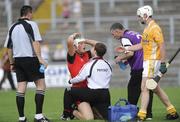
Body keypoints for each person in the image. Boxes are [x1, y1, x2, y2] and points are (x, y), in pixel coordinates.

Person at [122, 5, 179, 121]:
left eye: (140, 16)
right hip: (148, 61)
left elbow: (162, 45)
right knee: (155, 88)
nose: (139, 18)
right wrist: (128, 49)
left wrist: (163, 63)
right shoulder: (147, 28)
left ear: (145, 15)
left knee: (145, 87)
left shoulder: (155, 28)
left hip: (153, 61)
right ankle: (172, 111)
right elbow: (141, 45)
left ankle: (141, 115)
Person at [4, 5, 50, 122]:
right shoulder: (32, 24)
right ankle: (38, 116)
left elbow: (9, 48)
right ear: (29, 13)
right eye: (32, 13)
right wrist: (40, 58)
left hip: (18, 60)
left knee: (21, 88)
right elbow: (36, 42)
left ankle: (22, 118)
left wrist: (12, 63)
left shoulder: (12, 27)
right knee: (41, 85)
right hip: (30, 58)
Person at [110, 23, 154, 120]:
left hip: (139, 66)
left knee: (132, 89)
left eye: (113, 34)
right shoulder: (133, 33)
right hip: (149, 63)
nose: (114, 37)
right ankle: (148, 114)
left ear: (117, 31)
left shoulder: (124, 38)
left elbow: (130, 53)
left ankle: (131, 112)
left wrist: (119, 58)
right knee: (147, 90)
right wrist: (126, 62)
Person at [68, 42, 112, 120]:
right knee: (102, 117)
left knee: (70, 91)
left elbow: (80, 77)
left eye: (92, 48)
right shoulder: (107, 64)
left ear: (95, 51)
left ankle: (72, 110)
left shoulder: (90, 63)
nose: (90, 48)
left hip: (92, 93)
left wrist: (70, 81)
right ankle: (72, 110)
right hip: (104, 94)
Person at [60, 33, 97, 120]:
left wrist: (86, 40)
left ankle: (75, 109)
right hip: (78, 92)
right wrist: (74, 35)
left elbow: (99, 45)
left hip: (90, 90)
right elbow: (69, 41)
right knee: (89, 118)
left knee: (101, 116)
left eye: (83, 43)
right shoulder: (72, 56)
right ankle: (72, 110)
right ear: (75, 47)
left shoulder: (87, 54)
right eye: (80, 43)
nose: (83, 45)